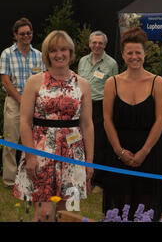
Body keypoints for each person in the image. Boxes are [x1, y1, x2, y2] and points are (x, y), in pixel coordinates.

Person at [13, 30, 94, 222]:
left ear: (71, 52)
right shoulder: (34, 82)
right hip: (41, 154)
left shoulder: (83, 84)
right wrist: (30, 156)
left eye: (64, 49)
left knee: (64, 214)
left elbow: (87, 124)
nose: (59, 54)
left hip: (73, 155)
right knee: (44, 214)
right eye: (54, 50)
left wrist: (89, 161)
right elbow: (24, 122)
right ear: (47, 54)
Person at [102, 27, 162, 220]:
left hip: (148, 153)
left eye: (138, 52)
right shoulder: (111, 83)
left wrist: (144, 152)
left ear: (144, 54)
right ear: (123, 55)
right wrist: (119, 151)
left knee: (145, 205)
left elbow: (160, 120)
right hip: (118, 153)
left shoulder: (158, 82)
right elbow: (107, 120)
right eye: (129, 53)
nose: (134, 56)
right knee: (119, 205)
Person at [0, 17, 45, 189]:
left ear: (32, 34)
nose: (25, 36)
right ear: (15, 35)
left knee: (34, 143)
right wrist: (22, 100)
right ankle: (10, 181)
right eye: (22, 34)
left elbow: (44, 79)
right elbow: (5, 81)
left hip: (36, 105)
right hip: (14, 102)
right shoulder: (7, 54)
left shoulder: (39, 55)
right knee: (11, 142)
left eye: (28, 33)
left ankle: (31, 177)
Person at [77, 31, 118, 190]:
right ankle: (83, 178)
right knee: (80, 142)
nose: (97, 45)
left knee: (99, 144)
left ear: (105, 45)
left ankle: (98, 182)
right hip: (81, 106)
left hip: (100, 107)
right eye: (94, 42)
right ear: (89, 44)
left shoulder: (112, 64)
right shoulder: (82, 61)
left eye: (100, 43)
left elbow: (115, 88)